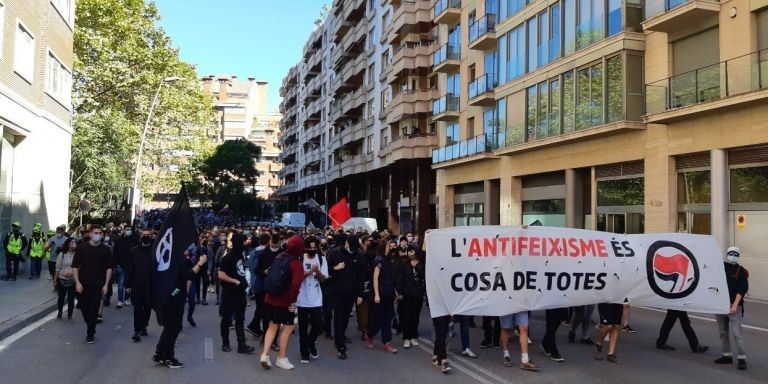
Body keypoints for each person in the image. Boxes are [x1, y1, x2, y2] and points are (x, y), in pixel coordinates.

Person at [152, 244, 208, 368]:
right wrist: (200, 263)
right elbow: (187, 276)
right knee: (174, 328)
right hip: (175, 298)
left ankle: (160, 352)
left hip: (169, 296)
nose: (188, 249)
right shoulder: (179, 260)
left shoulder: (169, 257)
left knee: (169, 327)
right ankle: (168, 356)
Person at [260, 235, 305, 370]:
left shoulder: (279, 257)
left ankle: (264, 354)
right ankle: (281, 358)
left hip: (270, 297)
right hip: (284, 301)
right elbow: (296, 285)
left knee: (272, 326)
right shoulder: (296, 263)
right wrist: (293, 302)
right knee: (288, 328)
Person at [72, 225, 114, 344]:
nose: (98, 235)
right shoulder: (81, 248)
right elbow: (75, 266)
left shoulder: (105, 250)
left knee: (94, 309)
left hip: (98, 285)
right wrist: (77, 282)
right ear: (90, 234)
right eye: (96, 232)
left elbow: (109, 268)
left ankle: (90, 333)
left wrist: (106, 284)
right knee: (84, 308)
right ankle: (90, 325)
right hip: (83, 284)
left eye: (100, 233)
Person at [326, 234, 364, 360]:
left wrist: (360, 294)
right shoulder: (334, 253)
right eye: (352, 247)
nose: (353, 249)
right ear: (346, 243)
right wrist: (335, 268)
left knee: (346, 316)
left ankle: (341, 335)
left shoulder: (359, 256)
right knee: (338, 317)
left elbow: (360, 276)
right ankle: (340, 345)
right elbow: (326, 270)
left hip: (351, 292)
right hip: (336, 291)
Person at [217, 233, 256, 354]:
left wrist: (243, 282)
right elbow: (221, 274)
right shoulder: (228, 257)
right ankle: (225, 343)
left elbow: (240, 271)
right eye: (243, 242)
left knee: (240, 319)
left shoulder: (241, 255)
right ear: (238, 243)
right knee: (226, 319)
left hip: (240, 293)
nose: (246, 244)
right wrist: (235, 281)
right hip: (229, 293)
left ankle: (242, 345)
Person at [714, 246, 749, 370]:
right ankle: (726, 356)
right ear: (727, 254)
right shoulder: (721, 267)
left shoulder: (741, 271)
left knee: (737, 334)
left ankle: (741, 358)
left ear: (738, 256)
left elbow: (742, 288)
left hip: (735, 308)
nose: (733, 256)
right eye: (731, 253)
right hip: (721, 307)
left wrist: (734, 305)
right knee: (723, 333)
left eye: (735, 254)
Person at [297, 236, 328, 363]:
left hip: (316, 298)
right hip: (302, 297)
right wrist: (310, 271)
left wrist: (318, 272)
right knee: (303, 328)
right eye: (310, 248)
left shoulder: (321, 259)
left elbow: (324, 279)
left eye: (315, 248)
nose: (313, 250)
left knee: (318, 325)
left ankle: (311, 343)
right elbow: (297, 276)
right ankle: (304, 353)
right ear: (305, 248)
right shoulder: (300, 259)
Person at [365, 247, 398, 353]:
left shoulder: (390, 261)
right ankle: (369, 334)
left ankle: (387, 342)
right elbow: (375, 279)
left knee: (388, 319)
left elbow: (391, 279)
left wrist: (395, 292)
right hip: (379, 295)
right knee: (379, 320)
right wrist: (377, 295)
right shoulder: (379, 260)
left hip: (389, 294)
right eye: (388, 246)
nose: (391, 248)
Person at [126, 229, 153, 342]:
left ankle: (144, 326)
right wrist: (128, 285)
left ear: (151, 236)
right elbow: (129, 268)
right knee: (137, 308)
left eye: (148, 235)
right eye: (144, 235)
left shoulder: (155, 250)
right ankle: (137, 330)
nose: (145, 236)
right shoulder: (134, 251)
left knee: (147, 308)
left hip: (151, 285)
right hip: (136, 285)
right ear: (140, 236)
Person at [396, 245, 425, 350]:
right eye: (408, 251)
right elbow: (400, 278)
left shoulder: (422, 263)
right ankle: (406, 338)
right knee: (406, 316)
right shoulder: (404, 263)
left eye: (411, 251)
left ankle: (413, 336)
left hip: (418, 294)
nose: (409, 253)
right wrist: (400, 293)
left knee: (415, 316)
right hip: (406, 293)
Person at [245, 233, 270, 336]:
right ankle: (254, 325)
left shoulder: (253, 252)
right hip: (261, 283)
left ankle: (255, 326)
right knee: (263, 307)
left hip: (255, 282)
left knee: (260, 306)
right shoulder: (265, 252)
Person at [54, 237, 77, 320]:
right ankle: (60, 311)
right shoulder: (62, 254)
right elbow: (57, 268)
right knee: (61, 297)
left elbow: (79, 266)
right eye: (71, 242)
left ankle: (70, 314)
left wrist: (72, 272)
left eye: (74, 242)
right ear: (67, 244)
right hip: (62, 279)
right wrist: (55, 280)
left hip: (73, 279)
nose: (73, 243)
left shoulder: (77, 254)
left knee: (71, 298)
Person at [113, 226, 136, 308]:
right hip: (121, 265)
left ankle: (126, 299)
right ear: (123, 230)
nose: (129, 231)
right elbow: (115, 253)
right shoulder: (118, 241)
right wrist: (116, 264)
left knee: (129, 283)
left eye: (130, 230)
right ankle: (120, 300)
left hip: (131, 265)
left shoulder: (134, 240)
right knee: (121, 283)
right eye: (127, 229)